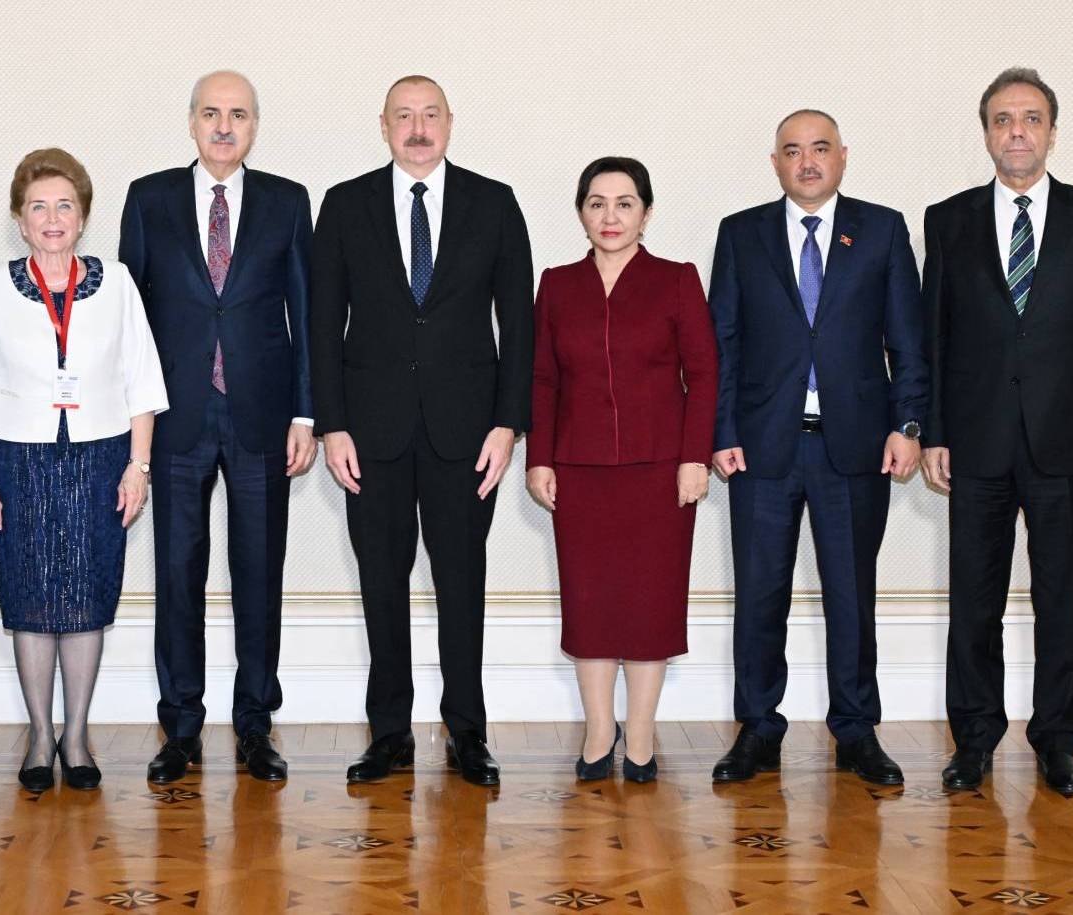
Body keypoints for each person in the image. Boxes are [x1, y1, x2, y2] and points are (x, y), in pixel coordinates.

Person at [923, 68, 1073, 797]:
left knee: (1062, 600)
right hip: (975, 442)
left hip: (1067, 443)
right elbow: (933, 338)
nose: (1016, 131)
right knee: (973, 602)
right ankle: (973, 741)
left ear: (1051, 131)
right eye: (1002, 119)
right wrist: (933, 431)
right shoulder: (947, 220)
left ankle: (1056, 742)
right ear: (986, 133)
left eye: (1030, 119)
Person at [311, 75, 534, 787]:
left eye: (429, 115)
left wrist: (508, 424)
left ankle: (468, 732)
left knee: (462, 583)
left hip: (467, 435)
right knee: (382, 584)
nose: (417, 128)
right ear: (383, 125)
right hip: (368, 434)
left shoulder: (493, 203)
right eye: (403, 116)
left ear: (449, 122)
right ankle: (390, 734)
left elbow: (519, 324)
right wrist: (332, 425)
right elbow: (323, 324)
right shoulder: (344, 205)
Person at [705, 110, 927, 786]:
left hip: (855, 447)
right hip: (761, 450)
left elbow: (908, 340)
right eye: (793, 150)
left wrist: (909, 424)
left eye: (820, 148)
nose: (807, 161)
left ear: (842, 157)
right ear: (775, 162)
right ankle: (758, 728)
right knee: (759, 595)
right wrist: (721, 432)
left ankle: (856, 731)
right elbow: (722, 343)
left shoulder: (882, 230)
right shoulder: (740, 234)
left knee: (852, 596)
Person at [119, 71, 315, 785]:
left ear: (255, 126)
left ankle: (255, 724)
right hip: (176, 419)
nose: (224, 126)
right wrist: (134, 426)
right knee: (178, 575)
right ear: (192, 122)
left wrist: (306, 412)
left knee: (260, 574)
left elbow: (306, 313)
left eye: (237, 114)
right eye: (211, 113)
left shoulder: (288, 202)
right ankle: (181, 727)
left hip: (263, 416)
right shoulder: (150, 198)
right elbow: (130, 321)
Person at [0, 148, 168, 792]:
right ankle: (37, 736)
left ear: (82, 216)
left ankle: (75, 737)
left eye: (64, 206)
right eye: (38, 208)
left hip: (100, 460)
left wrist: (139, 467)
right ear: (20, 220)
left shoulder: (118, 283)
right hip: (17, 462)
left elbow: (143, 382)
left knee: (85, 600)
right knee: (30, 602)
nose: (52, 219)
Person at [526, 157, 716, 783]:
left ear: (646, 213)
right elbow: (543, 378)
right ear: (581, 213)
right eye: (597, 203)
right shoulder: (557, 284)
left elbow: (704, 374)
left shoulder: (677, 280)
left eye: (625, 203)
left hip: (660, 472)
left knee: (649, 605)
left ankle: (639, 735)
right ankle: (597, 730)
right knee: (590, 604)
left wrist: (694, 457)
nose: (611, 216)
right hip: (578, 470)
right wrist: (539, 458)